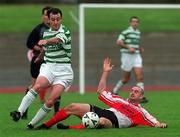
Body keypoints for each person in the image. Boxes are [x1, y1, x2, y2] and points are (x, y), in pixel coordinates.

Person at [35, 58, 167, 130]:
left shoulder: (141, 112)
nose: (132, 92)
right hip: (103, 111)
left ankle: (69, 127)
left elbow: (153, 121)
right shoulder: (118, 99)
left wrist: (160, 124)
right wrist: (106, 72)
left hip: (113, 122)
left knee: (101, 122)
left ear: (141, 97)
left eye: (136, 91)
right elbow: (100, 91)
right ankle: (46, 126)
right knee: (72, 106)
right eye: (132, 90)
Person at [10, 8, 73, 129]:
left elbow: (57, 40)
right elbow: (45, 47)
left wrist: (46, 41)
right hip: (49, 67)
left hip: (64, 72)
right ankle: (19, 112)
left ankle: (31, 124)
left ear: (61, 19)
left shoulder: (64, 30)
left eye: (58, 19)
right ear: (48, 20)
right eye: (53, 19)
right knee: (37, 86)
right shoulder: (46, 32)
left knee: (50, 101)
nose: (56, 22)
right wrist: (40, 57)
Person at [22, 6, 61, 119]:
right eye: (45, 15)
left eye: (49, 15)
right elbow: (29, 42)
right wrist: (39, 48)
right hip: (38, 61)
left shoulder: (59, 30)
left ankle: (56, 112)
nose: (48, 17)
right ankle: (23, 111)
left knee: (57, 85)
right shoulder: (39, 29)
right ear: (43, 16)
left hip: (53, 61)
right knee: (35, 86)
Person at [112, 16, 148, 103]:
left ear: (138, 23)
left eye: (136, 22)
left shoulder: (138, 32)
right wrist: (128, 47)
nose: (135, 23)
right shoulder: (126, 32)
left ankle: (141, 97)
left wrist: (139, 48)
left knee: (140, 77)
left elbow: (134, 45)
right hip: (127, 56)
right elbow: (119, 42)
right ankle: (114, 91)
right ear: (130, 23)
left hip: (136, 56)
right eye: (133, 21)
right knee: (126, 79)